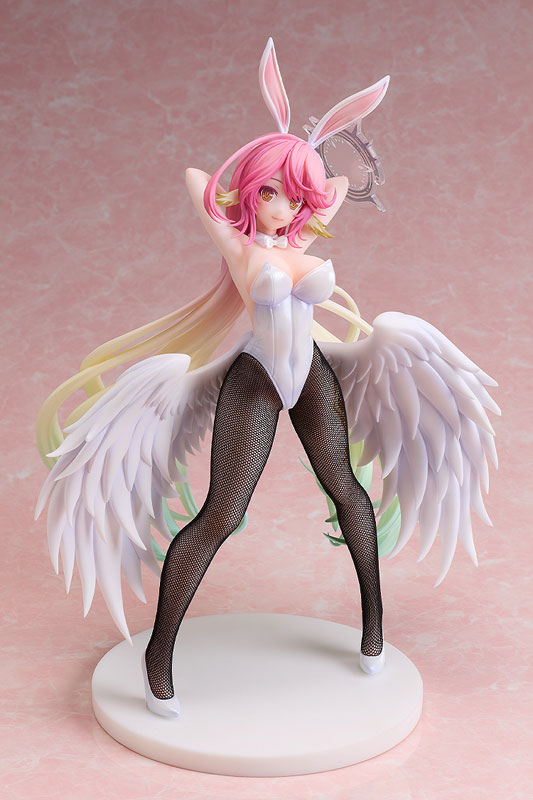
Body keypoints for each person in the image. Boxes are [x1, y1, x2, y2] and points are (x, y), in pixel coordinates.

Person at [35, 40, 499, 719]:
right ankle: (158, 658)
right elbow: (197, 180)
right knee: (221, 515)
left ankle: (374, 626)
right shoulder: (238, 245)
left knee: (347, 490)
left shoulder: (302, 238)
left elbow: (330, 192)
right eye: (270, 192)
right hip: (255, 377)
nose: (282, 206)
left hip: (309, 371)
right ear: (252, 192)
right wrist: (272, 157)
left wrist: (310, 150)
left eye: (291, 195)